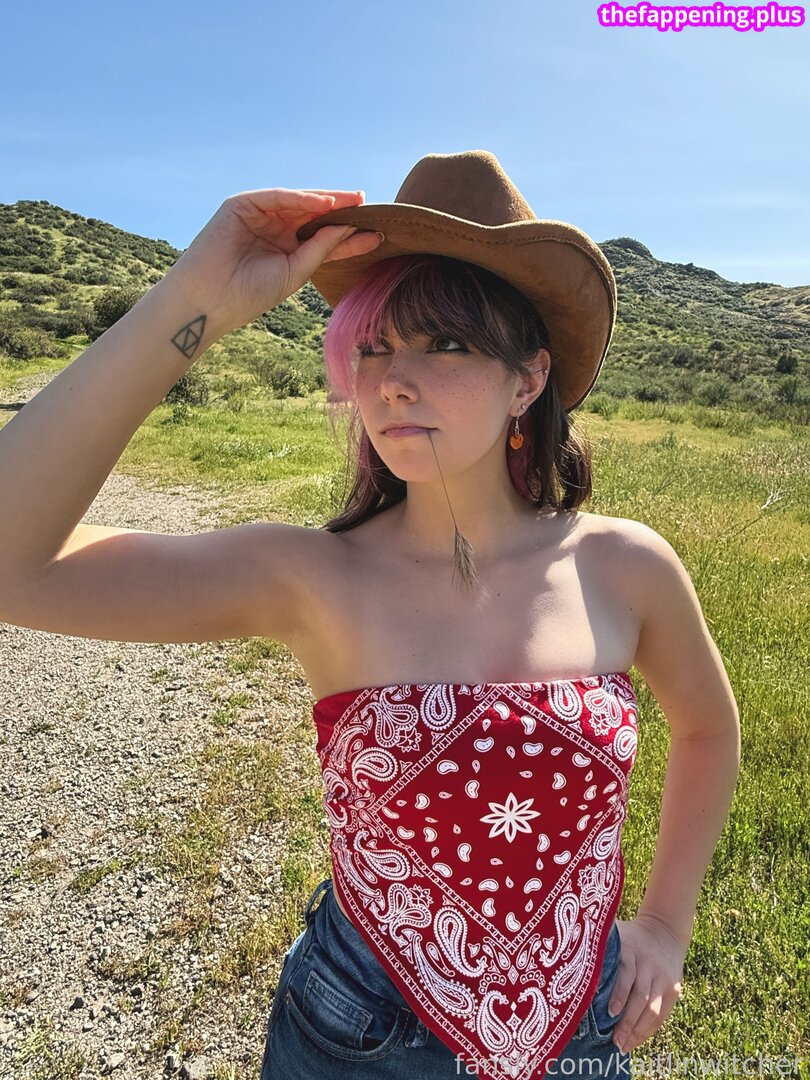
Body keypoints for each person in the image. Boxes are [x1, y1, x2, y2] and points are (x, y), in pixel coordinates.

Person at [0, 151, 741, 1080]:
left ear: (528, 380)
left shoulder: (626, 565)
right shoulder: (310, 576)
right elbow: (13, 566)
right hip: (357, 1037)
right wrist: (195, 300)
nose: (392, 379)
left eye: (447, 344)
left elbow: (709, 728)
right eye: (374, 345)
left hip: (581, 1033)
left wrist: (666, 924)